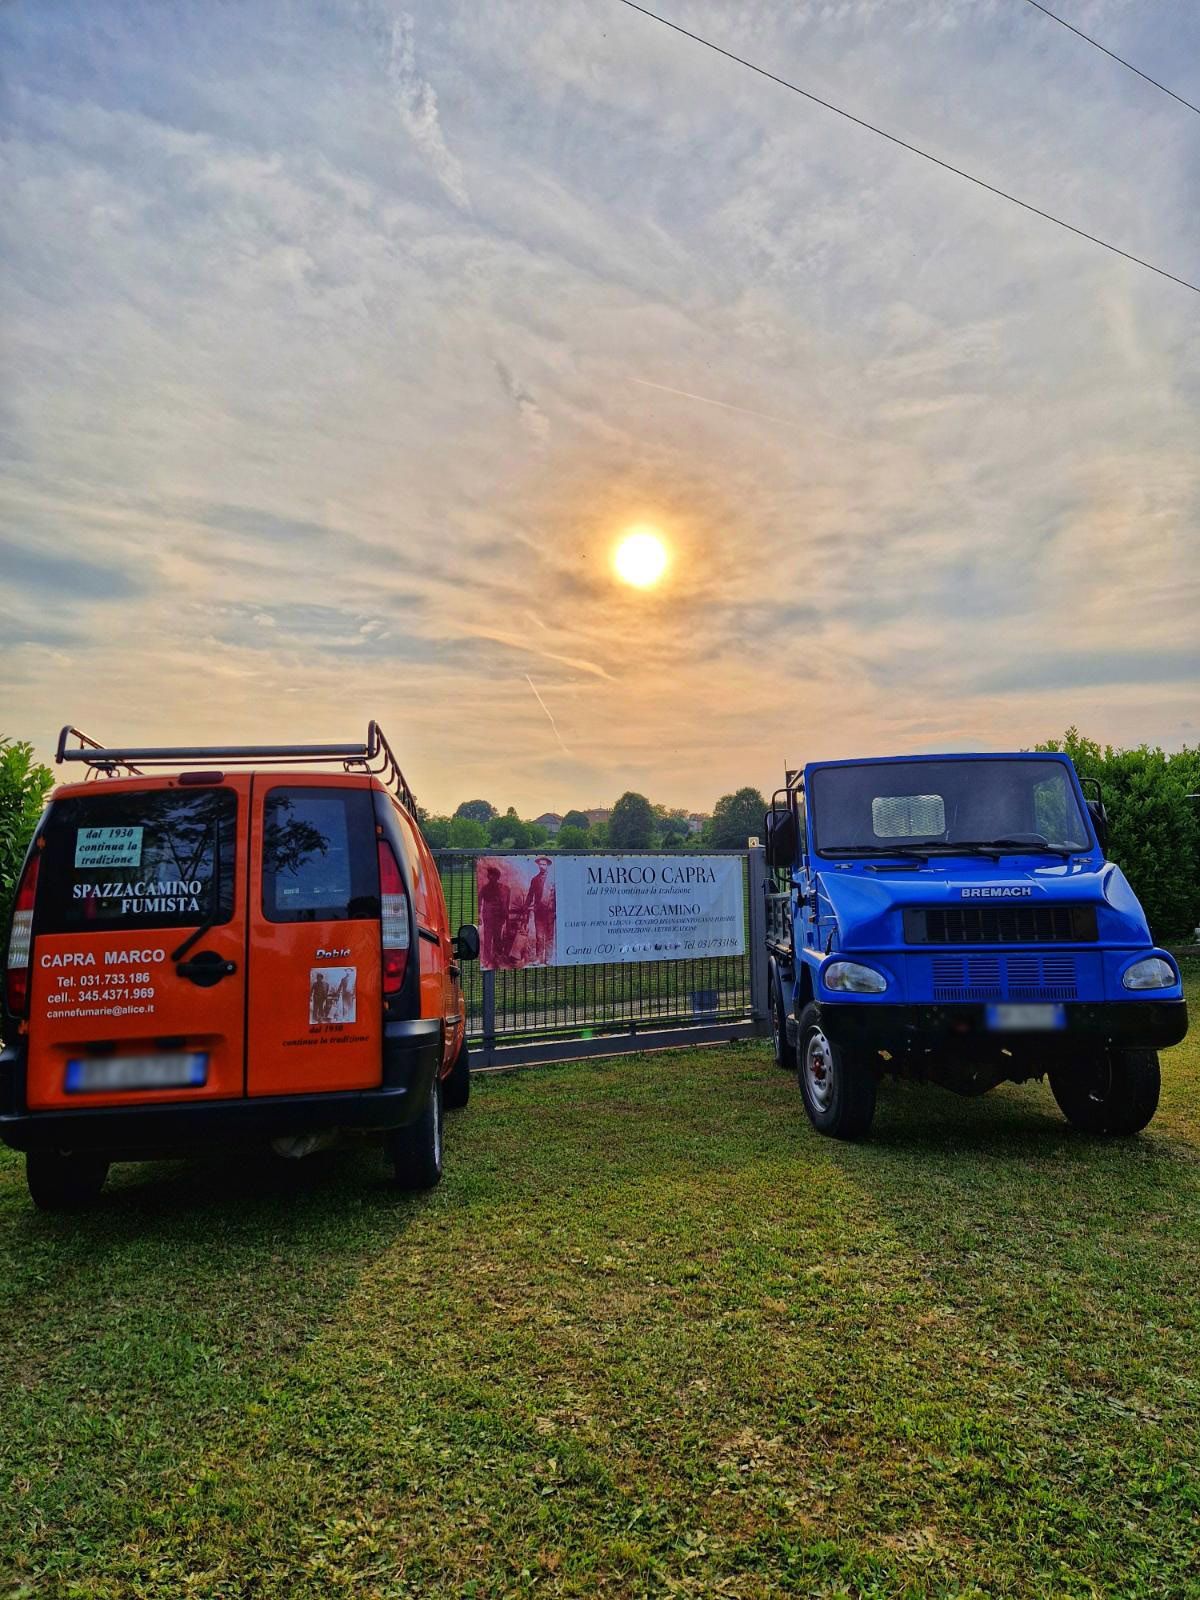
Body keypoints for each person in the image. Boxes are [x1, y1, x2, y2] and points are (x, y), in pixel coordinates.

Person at [525, 856, 556, 966]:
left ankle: (548, 958)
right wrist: (526, 907)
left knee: (549, 936)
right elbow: (530, 895)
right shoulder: (535, 879)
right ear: (538, 865)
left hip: (550, 912)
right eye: (540, 864)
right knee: (539, 936)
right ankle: (539, 958)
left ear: (547, 865)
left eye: (544, 864)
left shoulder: (553, 879)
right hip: (539, 912)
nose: (542, 866)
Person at [478, 865, 511, 968]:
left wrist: (506, 917)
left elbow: (506, 904)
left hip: (499, 918)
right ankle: (487, 961)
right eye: (490, 875)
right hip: (488, 918)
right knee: (487, 939)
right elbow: (479, 903)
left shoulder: (505, 889)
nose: (491, 877)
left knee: (497, 938)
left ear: (497, 877)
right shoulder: (484, 889)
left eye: (494, 875)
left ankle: (496, 959)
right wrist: (478, 915)